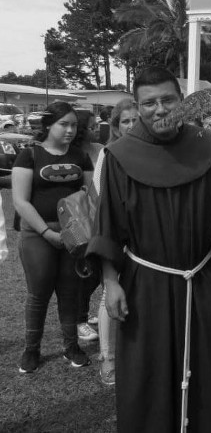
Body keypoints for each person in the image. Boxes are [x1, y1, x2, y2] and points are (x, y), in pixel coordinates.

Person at [85, 66, 211, 433]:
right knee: (148, 379)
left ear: (181, 101)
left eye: (168, 100)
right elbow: (109, 225)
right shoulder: (120, 156)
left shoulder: (207, 145)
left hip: (201, 279)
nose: (159, 110)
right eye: (149, 103)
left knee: (208, 374)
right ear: (138, 108)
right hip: (145, 285)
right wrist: (111, 281)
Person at [13, 101, 94, 373]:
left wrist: (81, 230)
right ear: (48, 125)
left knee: (70, 292)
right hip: (37, 234)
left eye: (74, 125)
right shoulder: (29, 155)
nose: (70, 130)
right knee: (39, 293)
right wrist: (47, 232)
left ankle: (71, 347)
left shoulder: (81, 156)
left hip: (73, 235)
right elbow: (21, 202)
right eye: (64, 124)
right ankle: (31, 350)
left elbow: (90, 196)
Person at [91, 98, 139, 385]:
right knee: (109, 291)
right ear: (116, 126)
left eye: (136, 120)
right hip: (116, 233)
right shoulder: (109, 154)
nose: (132, 125)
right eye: (126, 121)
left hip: (141, 239)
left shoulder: (150, 153)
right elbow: (100, 197)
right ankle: (107, 358)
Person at [74, 110, 104, 343]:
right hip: (81, 218)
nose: (96, 129)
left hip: (100, 215)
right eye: (92, 125)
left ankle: (100, 310)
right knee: (85, 273)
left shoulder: (99, 148)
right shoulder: (72, 154)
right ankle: (78, 320)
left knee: (100, 271)